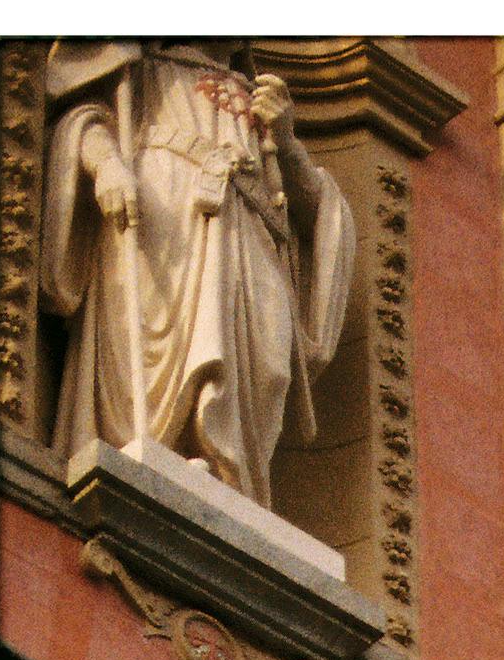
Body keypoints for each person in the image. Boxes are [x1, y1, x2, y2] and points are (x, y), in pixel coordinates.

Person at [41, 41, 357, 511]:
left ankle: (234, 483)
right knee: (159, 333)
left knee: (268, 365)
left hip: (250, 232)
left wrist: (285, 141)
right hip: (163, 211)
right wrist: (106, 164)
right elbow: (79, 117)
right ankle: (157, 449)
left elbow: (320, 210)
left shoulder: (265, 101)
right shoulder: (139, 68)